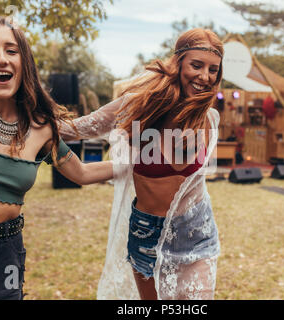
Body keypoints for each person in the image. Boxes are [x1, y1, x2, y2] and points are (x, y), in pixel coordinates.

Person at [0, 16, 113, 300]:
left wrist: (137, 165)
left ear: (24, 63)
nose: (1, 59)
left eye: (11, 50)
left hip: (5, 256)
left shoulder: (41, 127)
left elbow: (82, 173)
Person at [59, 28, 223, 300]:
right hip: (147, 232)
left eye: (213, 69)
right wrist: (25, 119)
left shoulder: (209, 119)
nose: (205, 76)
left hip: (196, 230)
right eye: (197, 65)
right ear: (179, 62)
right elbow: (75, 129)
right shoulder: (139, 106)